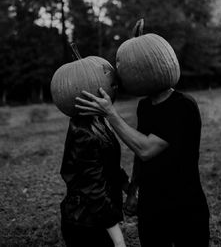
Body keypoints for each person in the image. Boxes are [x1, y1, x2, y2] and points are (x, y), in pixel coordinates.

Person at [75, 86, 210, 247]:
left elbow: (145, 149)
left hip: (185, 204)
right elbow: (140, 156)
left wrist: (110, 113)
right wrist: (133, 190)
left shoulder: (183, 104)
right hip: (151, 205)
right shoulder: (144, 105)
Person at [60, 113, 129, 247]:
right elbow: (92, 187)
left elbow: (110, 165)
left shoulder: (98, 120)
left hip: (99, 218)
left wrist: (128, 187)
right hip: (86, 223)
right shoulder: (83, 131)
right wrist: (119, 241)